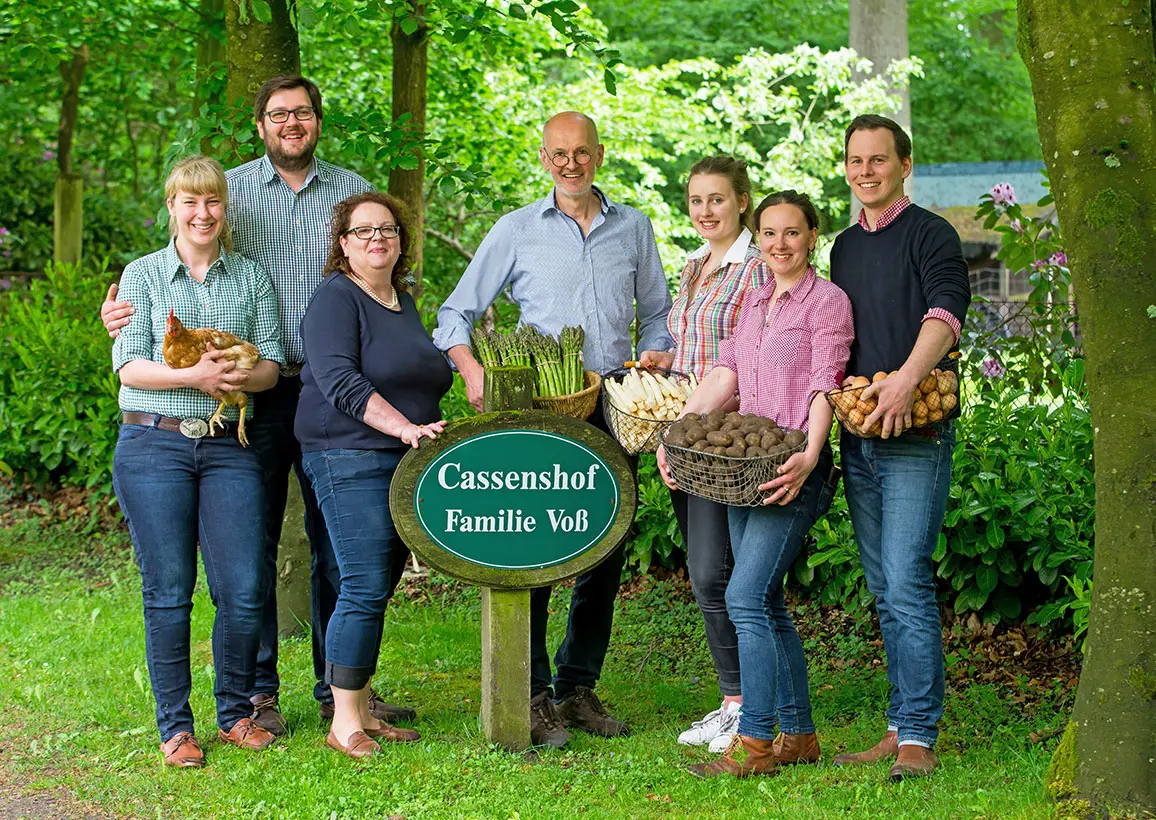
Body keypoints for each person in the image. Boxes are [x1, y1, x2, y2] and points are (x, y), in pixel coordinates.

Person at [100, 76, 413, 735]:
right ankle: (258, 693)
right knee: (255, 543)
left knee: (338, 544)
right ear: (261, 125)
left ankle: (340, 691)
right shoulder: (230, 189)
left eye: (302, 112)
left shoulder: (350, 193)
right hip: (252, 399)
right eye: (278, 114)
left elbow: (379, 270)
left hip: (333, 391)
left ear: (318, 121)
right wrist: (126, 320)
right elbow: (167, 272)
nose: (291, 123)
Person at [431, 111, 674, 747]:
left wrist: (655, 355)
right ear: (544, 159)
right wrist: (472, 369)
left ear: (599, 155)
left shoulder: (635, 227)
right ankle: (533, 691)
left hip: (619, 403)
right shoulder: (516, 230)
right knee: (536, 546)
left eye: (582, 152)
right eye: (559, 153)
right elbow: (456, 312)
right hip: (543, 405)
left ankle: (578, 688)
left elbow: (658, 317)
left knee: (608, 546)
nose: (571, 163)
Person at [658, 190, 853, 779]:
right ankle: (799, 735)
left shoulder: (828, 302)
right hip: (745, 474)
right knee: (764, 600)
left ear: (813, 235)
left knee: (744, 597)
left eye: (791, 233)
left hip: (793, 471)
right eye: (768, 233)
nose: (778, 244)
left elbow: (827, 383)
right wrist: (677, 435)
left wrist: (811, 454)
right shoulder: (757, 299)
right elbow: (729, 373)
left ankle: (756, 743)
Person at [111, 155, 284, 767]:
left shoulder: (252, 278)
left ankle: (236, 712)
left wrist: (242, 372)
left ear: (224, 208)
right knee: (169, 590)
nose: (202, 213)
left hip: (226, 446)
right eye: (190, 202)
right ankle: (176, 728)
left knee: (241, 586)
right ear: (172, 208)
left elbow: (272, 367)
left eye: (212, 202)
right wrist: (194, 373)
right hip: (154, 442)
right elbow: (129, 365)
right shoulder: (143, 277)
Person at [829, 115, 970, 780]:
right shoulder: (842, 248)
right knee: (885, 588)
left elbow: (945, 312)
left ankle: (918, 735)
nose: (865, 171)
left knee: (908, 583)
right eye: (855, 161)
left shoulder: (931, 233)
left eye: (878, 160)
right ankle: (896, 724)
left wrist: (906, 380)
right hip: (860, 436)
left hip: (917, 432)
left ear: (904, 165)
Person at [295, 192, 451, 758]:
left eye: (386, 229)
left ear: (401, 240)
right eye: (362, 232)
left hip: (400, 458)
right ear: (343, 244)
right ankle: (342, 724)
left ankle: (361, 710)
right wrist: (406, 427)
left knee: (376, 586)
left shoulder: (402, 302)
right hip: (349, 455)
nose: (376, 239)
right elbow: (340, 382)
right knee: (361, 584)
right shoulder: (335, 300)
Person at [667, 156, 769, 754]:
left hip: (728, 442)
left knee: (719, 571)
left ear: (742, 202)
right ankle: (734, 699)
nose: (706, 211)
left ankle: (747, 703)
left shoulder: (754, 268)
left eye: (718, 200)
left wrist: (692, 424)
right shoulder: (692, 267)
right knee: (707, 572)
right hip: (687, 435)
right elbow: (692, 348)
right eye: (697, 200)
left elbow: (745, 358)